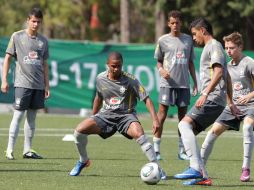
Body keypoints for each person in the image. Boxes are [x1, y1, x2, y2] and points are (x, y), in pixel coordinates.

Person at [69, 51, 166, 179]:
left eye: (119, 66)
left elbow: (146, 99)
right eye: (113, 66)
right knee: (78, 132)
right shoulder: (100, 78)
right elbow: (98, 98)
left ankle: (157, 168)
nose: (116, 69)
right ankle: (83, 161)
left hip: (126, 116)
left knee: (139, 134)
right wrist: (93, 116)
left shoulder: (131, 80)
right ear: (107, 65)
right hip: (106, 116)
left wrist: (155, 120)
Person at [173, 18, 229, 186]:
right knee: (184, 131)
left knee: (183, 126)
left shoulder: (214, 46)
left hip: (212, 98)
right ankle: (203, 176)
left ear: (203, 30)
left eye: (194, 33)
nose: (194, 38)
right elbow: (228, 76)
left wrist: (205, 93)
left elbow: (219, 72)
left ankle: (195, 168)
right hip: (215, 99)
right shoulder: (209, 47)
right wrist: (230, 101)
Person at [200, 32, 254, 182]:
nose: (228, 51)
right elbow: (227, 88)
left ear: (240, 47)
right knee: (212, 132)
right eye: (226, 48)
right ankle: (199, 168)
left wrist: (249, 96)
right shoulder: (227, 66)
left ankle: (245, 169)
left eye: (232, 48)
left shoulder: (249, 62)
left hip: (251, 105)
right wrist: (230, 104)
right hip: (233, 106)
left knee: (247, 128)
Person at [1, 7, 50, 159]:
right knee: (18, 116)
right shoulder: (17, 36)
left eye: (38, 22)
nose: (35, 24)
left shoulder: (43, 41)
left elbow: (45, 64)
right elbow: (8, 58)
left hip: (38, 85)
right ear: (28, 20)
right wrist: (4, 80)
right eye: (33, 21)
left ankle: (27, 150)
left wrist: (46, 85)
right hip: (22, 83)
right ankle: (9, 149)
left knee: (32, 118)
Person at [153, 10, 198, 161]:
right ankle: (156, 150)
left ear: (181, 23)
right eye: (172, 23)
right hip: (167, 84)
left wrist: (195, 82)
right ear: (168, 24)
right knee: (162, 115)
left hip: (184, 85)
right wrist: (161, 70)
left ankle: (181, 151)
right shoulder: (162, 40)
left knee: (183, 118)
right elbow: (158, 60)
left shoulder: (188, 40)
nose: (174, 25)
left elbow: (191, 63)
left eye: (177, 23)